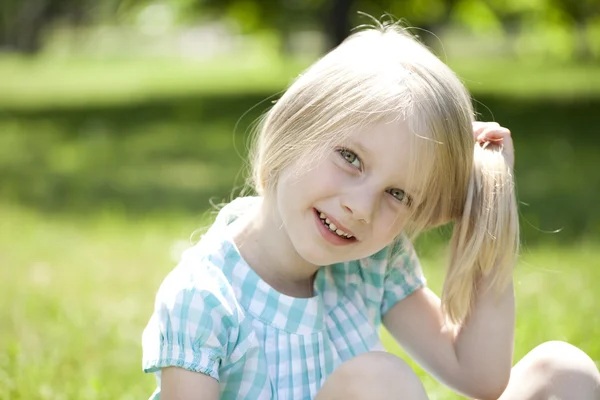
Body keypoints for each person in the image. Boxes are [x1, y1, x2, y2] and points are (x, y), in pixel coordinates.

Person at [141, 21, 600, 400]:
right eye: (350, 157)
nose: (360, 208)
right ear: (294, 127)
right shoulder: (206, 298)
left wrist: (489, 206)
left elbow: (480, 375)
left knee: (563, 373)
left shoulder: (371, 260)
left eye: (398, 194)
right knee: (380, 384)